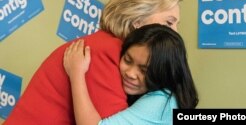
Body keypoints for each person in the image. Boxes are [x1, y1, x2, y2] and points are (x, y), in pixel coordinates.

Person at [4, 0, 183, 124]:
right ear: (138, 20)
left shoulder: (109, 46)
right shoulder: (106, 51)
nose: (175, 32)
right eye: (169, 22)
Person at [64, 24, 199, 125]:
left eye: (144, 70)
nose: (130, 73)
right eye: (127, 60)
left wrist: (76, 73)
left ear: (164, 74)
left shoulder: (162, 102)